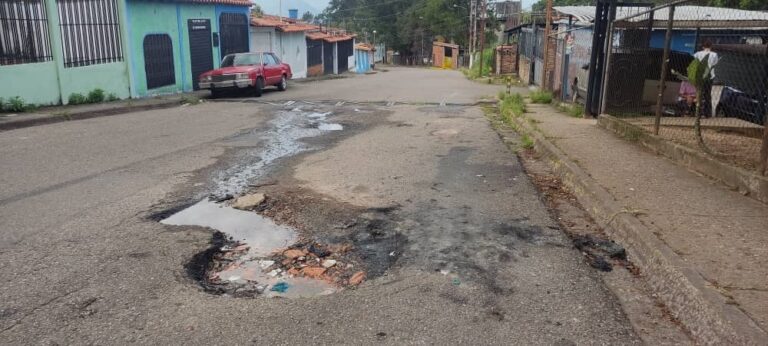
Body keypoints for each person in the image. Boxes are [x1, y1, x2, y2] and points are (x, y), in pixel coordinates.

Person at [693, 40, 719, 117]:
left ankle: (698, 112)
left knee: (699, 93)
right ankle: (707, 113)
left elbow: (694, 61)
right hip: (709, 76)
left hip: (700, 76)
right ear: (711, 46)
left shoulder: (697, 54)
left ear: (703, 47)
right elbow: (715, 64)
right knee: (708, 94)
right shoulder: (714, 54)